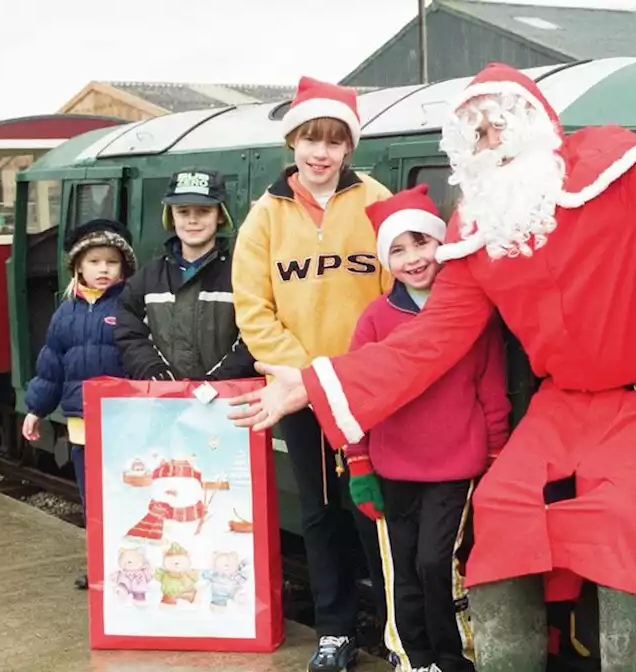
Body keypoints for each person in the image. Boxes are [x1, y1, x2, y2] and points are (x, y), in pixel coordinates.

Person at [230, 33, 636, 670]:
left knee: (616, 521)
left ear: (537, 122)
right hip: (560, 407)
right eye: (476, 134)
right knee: (500, 510)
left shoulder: (616, 165)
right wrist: (311, 382)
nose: (491, 140)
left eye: (501, 122)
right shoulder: (479, 230)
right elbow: (428, 341)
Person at [230, 75, 394, 672]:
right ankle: (335, 630)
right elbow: (253, 309)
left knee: (375, 510)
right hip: (298, 396)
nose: (320, 152)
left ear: (349, 147)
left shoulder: (375, 201)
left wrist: (352, 375)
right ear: (292, 142)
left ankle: (397, 628)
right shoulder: (264, 217)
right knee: (322, 513)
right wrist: (305, 378)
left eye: (333, 141)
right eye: (309, 139)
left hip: (366, 392)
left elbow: (392, 298)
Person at [346, 185, 511, 672]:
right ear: (385, 261)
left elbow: (491, 388)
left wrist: (496, 456)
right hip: (392, 466)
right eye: (398, 249)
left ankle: (453, 657)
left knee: (436, 564)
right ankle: (413, 658)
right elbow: (355, 395)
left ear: (443, 244)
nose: (413, 258)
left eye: (422, 243)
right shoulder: (375, 320)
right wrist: (358, 462)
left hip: (455, 465)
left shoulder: (472, 312)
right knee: (402, 570)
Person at [22, 218, 137, 590]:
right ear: (78, 267)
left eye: (111, 262)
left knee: (131, 495)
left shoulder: (131, 307)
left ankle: (136, 564)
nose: (103, 269)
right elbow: (50, 366)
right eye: (94, 262)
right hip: (83, 424)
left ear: (124, 267)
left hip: (126, 422)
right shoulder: (65, 314)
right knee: (94, 500)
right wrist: (36, 408)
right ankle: (102, 565)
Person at [115, 168, 256, 381]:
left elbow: (256, 334)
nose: (192, 220)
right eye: (183, 211)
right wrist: (151, 368)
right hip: (163, 404)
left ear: (220, 215)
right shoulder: (148, 278)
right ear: (170, 216)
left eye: (203, 211)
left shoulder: (243, 274)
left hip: (230, 404)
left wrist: (218, 380)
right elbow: (128, 331)